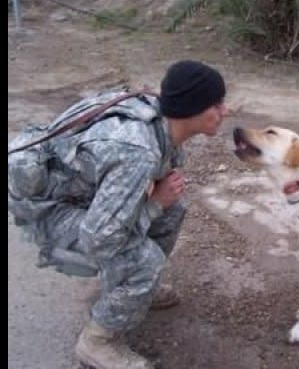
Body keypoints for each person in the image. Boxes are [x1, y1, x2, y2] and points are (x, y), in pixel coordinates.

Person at [7, 60, 228, 369]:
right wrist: (152, 205)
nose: (224, 111)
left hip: (78, 194)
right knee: (144, 260)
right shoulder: (136, 152)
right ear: (191, 109)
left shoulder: (160, 118)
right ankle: (98, 341)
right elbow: (100, 238)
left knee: (172, 210)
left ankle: (130, 292)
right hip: (51, 207)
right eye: (215, 104)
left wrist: (156, 204)